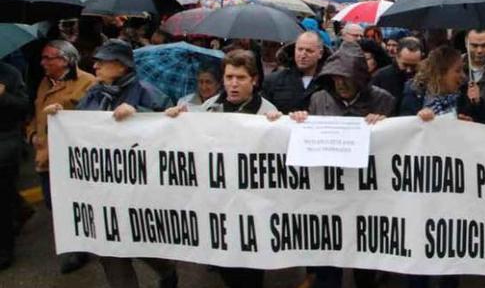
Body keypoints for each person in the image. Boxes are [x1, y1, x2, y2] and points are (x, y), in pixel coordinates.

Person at [45, 39, 177, 288]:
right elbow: (80, 130)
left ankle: (166, 270)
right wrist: (59, 118)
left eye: (102, 61)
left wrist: (139, 112)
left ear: (121, 66)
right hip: (101, 189)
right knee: (110, 247)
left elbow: (172, 128)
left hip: (137, 189)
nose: (95, 66)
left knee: (139, 239)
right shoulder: (94, 92)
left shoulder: (148, 92)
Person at [166, 50, 280, 288]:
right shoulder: (209, 108)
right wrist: (175, 121)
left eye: (240, 78)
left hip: (250, 207)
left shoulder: (268, 114)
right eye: (229, 78)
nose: (234, 84)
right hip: (217, 204)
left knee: (247, 274)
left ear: (254, 80)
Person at [289, 42, 394, 288]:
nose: (341, 84)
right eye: (335, 78)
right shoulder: (318, 100)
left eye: (346, 78)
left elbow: (397, 144)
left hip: (367, 196)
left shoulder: (383, 101)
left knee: (365, 263)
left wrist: (386, 124)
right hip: (329, 196)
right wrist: (299, 120)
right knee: (328, 260)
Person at [24, 41, 96, 273]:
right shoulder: (44, 83)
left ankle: (80, 248)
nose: (43, 63)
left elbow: (93, 120)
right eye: (43, 58)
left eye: (49, 58)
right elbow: (37, 114)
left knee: (73, 203)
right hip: (46, 157)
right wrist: (32, 133)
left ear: (65, 60)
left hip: (71, 158)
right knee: (51, 201)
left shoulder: (87, 82)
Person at [0, 61, 29, 271]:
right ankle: (20, 209)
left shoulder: (9, 73)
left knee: (2, 200)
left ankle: (4, 250)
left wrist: (3, 97)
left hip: (4, 144)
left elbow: (23, 106)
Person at [400, 45, 473, 122]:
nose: (463, 76)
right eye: (458, 71)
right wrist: (418, 118)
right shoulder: (414, 93)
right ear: (440, 73)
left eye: (462, 70)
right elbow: (404, 126)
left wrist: (469, 124)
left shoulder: (465, 95)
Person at [262, 31, 325, 114]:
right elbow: (263, 112)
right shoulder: (273, 81)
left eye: (309, 51)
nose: (303, 55)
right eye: (300, 49)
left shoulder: (328, 82)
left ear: (320, 53)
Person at [371, 37, 423, 114]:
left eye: (413, 66)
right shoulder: (381, 76)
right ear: (397, 56)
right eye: (405, 65)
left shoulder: (425, 78)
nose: (409, 70)